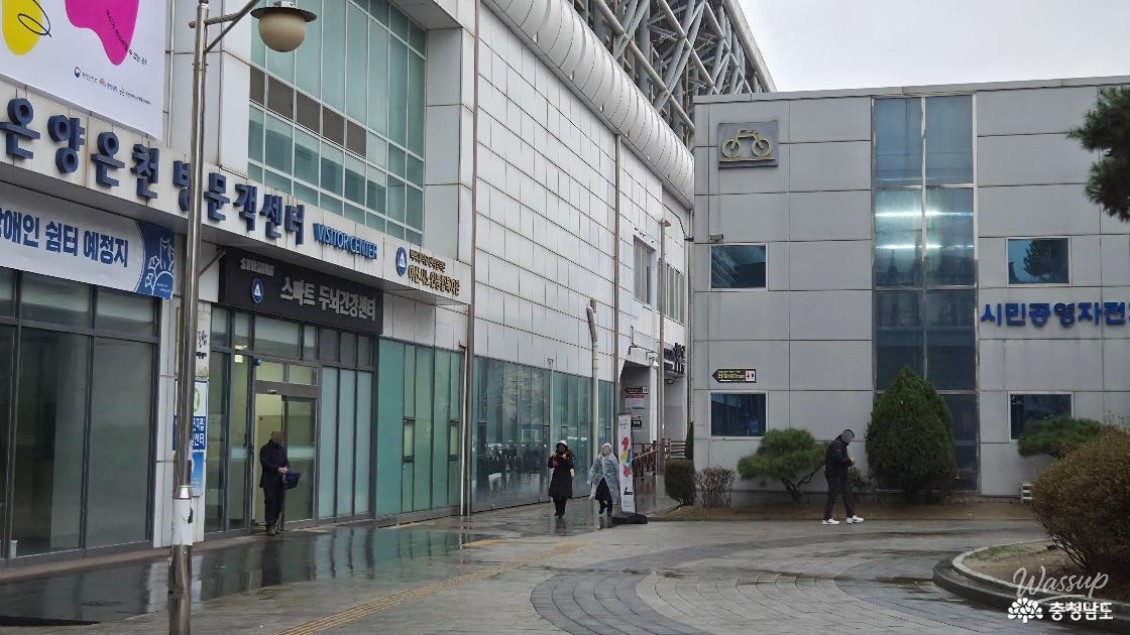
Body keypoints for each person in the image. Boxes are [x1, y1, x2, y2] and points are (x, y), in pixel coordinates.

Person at [823, 429, 864, 525]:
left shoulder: (841, 445)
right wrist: (849, 460)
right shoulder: (837, 445)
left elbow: (841, 461)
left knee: (848, 494)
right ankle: (826, 518)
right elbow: (839, 459)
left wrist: (848, 462)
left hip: (841, 475)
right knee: (832, 496)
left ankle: (851, 516)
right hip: (834, 475)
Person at [260, 431, 290, 535]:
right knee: (270, 503)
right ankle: (269, 526)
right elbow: (265, 463)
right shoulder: (266, 449)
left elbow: (286, 462)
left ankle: (275, 524)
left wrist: (285, 468)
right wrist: (278, 469)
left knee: (279, 504)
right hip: (269, 481)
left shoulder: (281, 450)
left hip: (280, 481)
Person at [589, 443, 621, 519]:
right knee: (599, 494)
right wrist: (590, 477)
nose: (604, 450)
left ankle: (609, 512)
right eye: (603, 448)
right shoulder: (599, 458)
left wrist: (618, 481)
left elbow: (617, 470)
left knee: (609, 496)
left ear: (609, 450)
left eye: (606, 449)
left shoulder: (613, 458)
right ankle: (602, 505)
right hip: (601, 478)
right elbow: (594, 468)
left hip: (610, 480)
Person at [547, 440, 575, 518]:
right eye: (560, 447)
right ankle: (558, 510)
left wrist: (565, 459)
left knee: (563, 496)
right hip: (557, 477)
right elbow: (550, 465)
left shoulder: (568, 455)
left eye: (562, 447)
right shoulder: (555, 455)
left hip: (565, 478)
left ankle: (561, 512)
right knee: (555, 494)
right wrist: (552, 458)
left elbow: (571, 465)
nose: (561, 448)